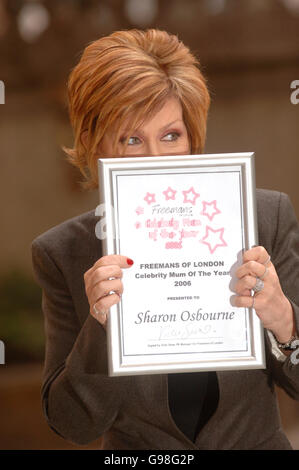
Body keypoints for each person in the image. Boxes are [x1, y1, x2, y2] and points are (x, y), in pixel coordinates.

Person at [31, 28, 299, 450]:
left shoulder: (263, 219)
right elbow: (72, 425)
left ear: (192, 137)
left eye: (171, 135)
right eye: (132, 139)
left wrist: (284, 320)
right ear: (94, 146)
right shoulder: (63, 252)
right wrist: (100, 329)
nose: (156, 159)